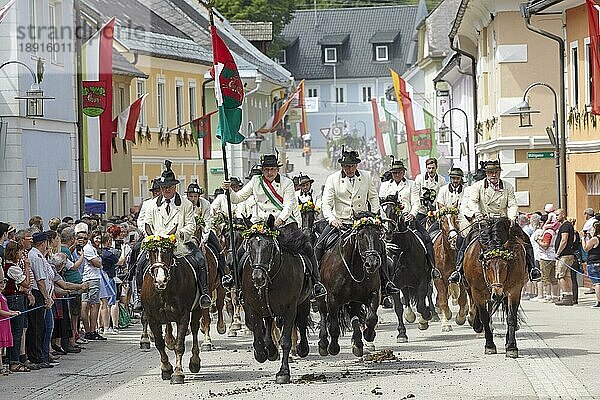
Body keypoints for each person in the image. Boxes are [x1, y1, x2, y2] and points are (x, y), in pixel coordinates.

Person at [224, 153, 327, 298]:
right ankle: (237, 283)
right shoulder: (255, 181)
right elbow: (237, 198)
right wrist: (228, 190)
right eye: (266, 169)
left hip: (284, 225)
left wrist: (279, 220)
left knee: (307, 247)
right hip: (260, 225)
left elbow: (289, 204)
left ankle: (316, 282)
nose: (269, 172)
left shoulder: (287, 183)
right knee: (240, 252)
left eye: (272, 169)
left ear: (277, 170)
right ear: (262, 170)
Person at [317, 148, 399, 294]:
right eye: (347, 166)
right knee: (318, 245)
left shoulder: (366, 177)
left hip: (363, 222)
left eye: (352, 166)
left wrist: (375, 215)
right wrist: (331, 219)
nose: (350, 169)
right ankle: (316, 284)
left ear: (356, 165)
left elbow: (373, 198)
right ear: (342, 166)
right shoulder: (333, 179)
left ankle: (386, 282)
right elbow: (326, 204)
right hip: (340, 223)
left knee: (380, 247)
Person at [449, 160, 541, 284]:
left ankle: (532, 268)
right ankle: (458, 270)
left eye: (496, 172)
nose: (493, 175)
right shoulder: (478, 187)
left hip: (503, 221)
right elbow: (473, 201)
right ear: (486, 173)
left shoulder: (508, 186)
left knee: (524, 238)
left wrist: (512, 217)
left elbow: (512, 203)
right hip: (484, 221)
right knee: (466, 239)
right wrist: (477, 213)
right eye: (490, 172)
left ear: (499, 173)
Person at [145, 160, 211, 309]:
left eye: (169, 187)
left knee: (200, 260)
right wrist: (154, 237)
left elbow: (190, 226)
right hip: (157, 244)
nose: (166, 190)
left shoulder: (186, 204)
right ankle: (140, 297)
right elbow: (147, 225)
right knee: (140, 261)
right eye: (163, 187)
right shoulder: (151, 205)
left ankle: (204, 293)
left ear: (175, 187)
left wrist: (178, 235)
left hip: (181, 244)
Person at [185, 181, 232, 288]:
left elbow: (207, 222)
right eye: (190, 196)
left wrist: (203, 240)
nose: (193, 198)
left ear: (199, 196)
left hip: (202, 230)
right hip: (187, 232)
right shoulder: (183, 203)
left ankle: (224, 274)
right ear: (187, 196)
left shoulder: (205, 204)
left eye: (195, 196)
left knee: (218, 247)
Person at [2, 240, 31, 372]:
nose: (21, 253)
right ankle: (14, 360)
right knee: (17, 330)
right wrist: (26, 266)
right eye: (19, 251)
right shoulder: (12, 268)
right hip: (15, 299)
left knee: (18, 329)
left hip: (16, 297)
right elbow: (26, 283)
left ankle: (14, 358)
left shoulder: (9, 266)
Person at [27, 231, 54, 368]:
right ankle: (36, 357)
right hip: (38, 294)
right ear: (43, 243)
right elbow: (40, 280)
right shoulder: (36, 256)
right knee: (37, 327)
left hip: (43, 293)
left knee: (44, 326)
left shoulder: (39, 255)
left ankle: (42, 355)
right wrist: (46, 297)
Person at [79, 230, 106, 340]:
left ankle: (89, 330)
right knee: (93, 304)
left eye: (86, 238)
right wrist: (98, 262)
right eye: (82, 238)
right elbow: (98, 264)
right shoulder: (89, 248)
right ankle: (91, 331)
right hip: (92, 278)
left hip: (88, 278)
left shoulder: (91, 248)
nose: (84, 240)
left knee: (88, 304)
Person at [554, 209, 576, 306]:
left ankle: (565, 296)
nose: (556, 217)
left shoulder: (565, 226)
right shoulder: (567, 226)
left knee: (560, 275)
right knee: (567, 275)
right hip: (568, 254)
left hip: (564, 255)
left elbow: (564, 240)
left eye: (558, 215)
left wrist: (558, 253)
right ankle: (570, 296)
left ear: (563, 215)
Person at [412, 158, 444, 224]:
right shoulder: (419, 178)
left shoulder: (441, 180)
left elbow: (441, 197)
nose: (431, 170)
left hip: (434, 211)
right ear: (426, 168)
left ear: (436, 168)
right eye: (429, 168)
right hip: (421, 210)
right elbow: (415, 195)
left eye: (433, 168)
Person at [0, 277, 20, 376]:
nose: (2, 285)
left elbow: (5, 309)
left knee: (2, 348)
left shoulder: (2, 295)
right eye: (0, 283)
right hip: (2, 322)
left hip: (5, 322)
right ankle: (0, 366)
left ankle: (2, 365)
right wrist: (10, 314)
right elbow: (0, 311)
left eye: (3, 283)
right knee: (0, 347)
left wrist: (13, 312)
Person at [582, 220, 600, 308]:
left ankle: (599, 301)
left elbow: (586, 248)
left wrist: (583, 239)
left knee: (597, 283)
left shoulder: (595, 239)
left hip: (594, 262)